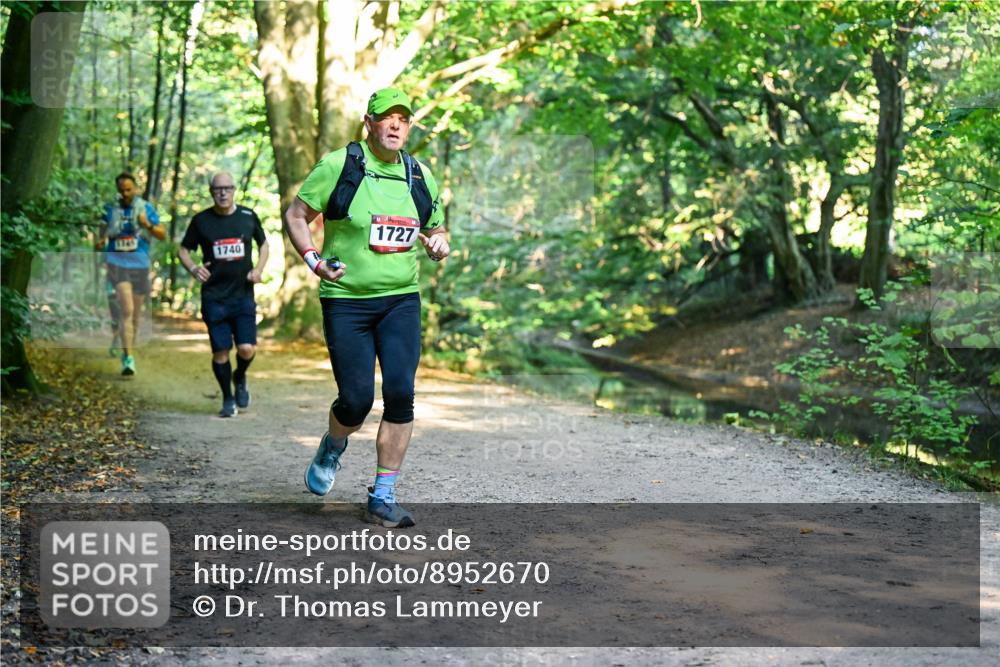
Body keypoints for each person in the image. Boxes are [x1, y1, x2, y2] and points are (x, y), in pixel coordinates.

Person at [284, 87, 451, 528]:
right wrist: (313, 259)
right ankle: (334, 445)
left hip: (400, 300)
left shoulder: (419, 175)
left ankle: (383, 494)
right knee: (356, 401)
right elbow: (296, 214)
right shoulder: (341, 165)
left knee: (400, 393)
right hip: (347, 302)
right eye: (387, 117)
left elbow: (438, 230)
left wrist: (439, 244)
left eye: (403, 119)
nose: (396, 125)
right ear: (369, 122)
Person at [178, 172, 269, 418]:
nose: (222, 193)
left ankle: (240, 377)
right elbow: (184, 250)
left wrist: (258, 270)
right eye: (218, 189)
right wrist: (194, 268)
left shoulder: (248, 216)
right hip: (214, 296)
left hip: (242, 295)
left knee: (247, 349)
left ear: (234, 189)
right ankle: (228, 399)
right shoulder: (201, 221)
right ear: (211, 192)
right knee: (220, 351)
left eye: (227, 188)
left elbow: (264, 244)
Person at [99, 172, 165, 376]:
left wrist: (148, 224)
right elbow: (101, 235)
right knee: (126, 310)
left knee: (135, 316)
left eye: (128, 189)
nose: (125, 193)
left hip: (139, 264)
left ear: (135, 188)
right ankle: (128, 359)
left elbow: (162, 234)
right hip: (117, 263)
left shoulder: (145, 208)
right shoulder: (109, 209)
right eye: (121, 190)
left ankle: (127, 348)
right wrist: (100, 242)